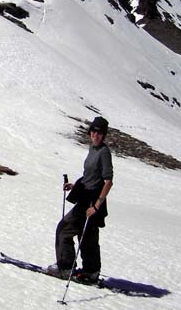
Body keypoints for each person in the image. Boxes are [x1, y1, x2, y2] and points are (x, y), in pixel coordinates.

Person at [47, 116, 114, 283]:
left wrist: (97, 206)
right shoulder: (92, 148)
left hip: (92, 201)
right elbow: (89, 175)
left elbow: (108, 181)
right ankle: (90, 271)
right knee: (88, 236)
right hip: (85, 195)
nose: (95, 135)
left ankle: (66, 268)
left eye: (99, 133)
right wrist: (74, 186)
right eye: (93, 131)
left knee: (65, 229)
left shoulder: (104, 152)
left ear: (103, 135)